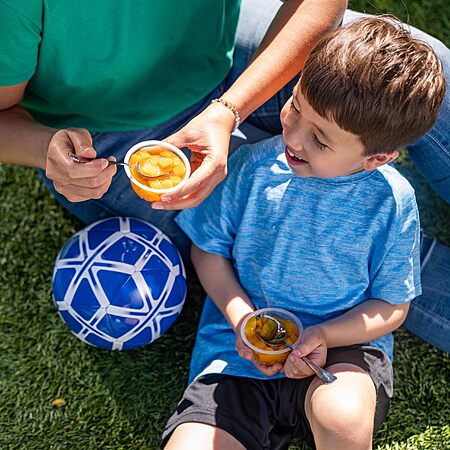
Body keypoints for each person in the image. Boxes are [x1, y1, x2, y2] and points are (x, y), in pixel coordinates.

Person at [0, 2, 448, 349]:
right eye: (296, 115)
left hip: (225, 50)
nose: (291, 136)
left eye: (317, 137)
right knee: (284, 226)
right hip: (112, 128)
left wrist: (231, 108)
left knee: (425, 76)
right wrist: (47, 149)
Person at [162, 16, 446, 450]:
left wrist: (326, 336)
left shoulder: (392, 203)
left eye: (321, 140)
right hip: (237, 357)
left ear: (376, 158)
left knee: (342, 417)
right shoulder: (251, 166)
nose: (293, 137)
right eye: (295, 106)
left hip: (341, 355)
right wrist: (243, 321)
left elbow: (392, 307)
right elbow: (208, 251)